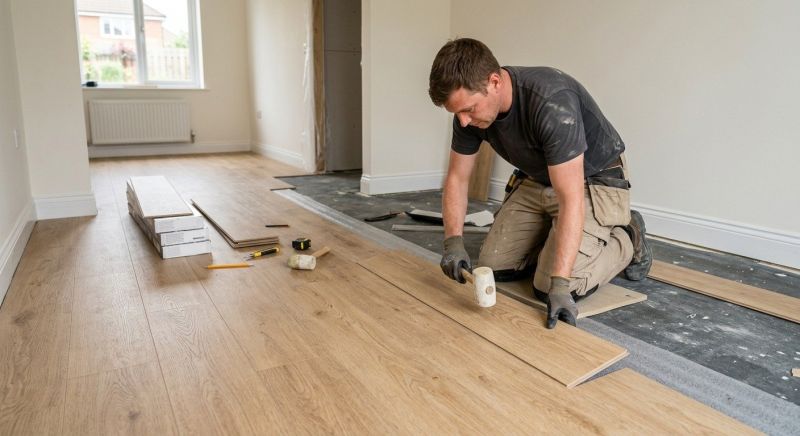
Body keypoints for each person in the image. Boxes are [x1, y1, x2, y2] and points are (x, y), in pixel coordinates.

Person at [428, 38, 652, 329]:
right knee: (493, 266)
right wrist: (453, 243)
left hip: (591, 181)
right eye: (457, 113)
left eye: (469, 109)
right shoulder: (469, 115)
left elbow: (571, 197)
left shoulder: (550, 101)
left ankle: (627, 236)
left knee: (550, 286)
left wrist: (560, 285)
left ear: (494, 82)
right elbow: (458, 178)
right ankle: (556, 237)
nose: (464, 121)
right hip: (539, 178)